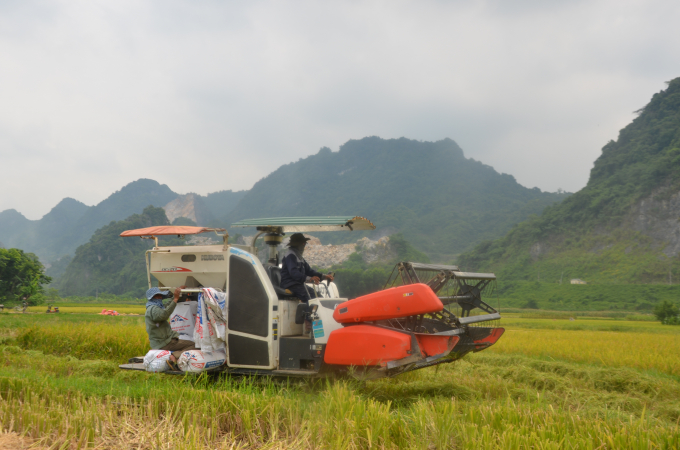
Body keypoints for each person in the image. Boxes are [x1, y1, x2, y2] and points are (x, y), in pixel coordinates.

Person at [145, 285, 196, 369]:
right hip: (165, 342)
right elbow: (163, 315)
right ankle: (174, 356)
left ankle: (173, 356)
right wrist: (175, 299)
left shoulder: (154, 307)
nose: (161, 297)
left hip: (160, 342)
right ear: (154, 297)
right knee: (194, 345)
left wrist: (177, 296)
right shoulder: (153, 309)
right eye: (159, 295)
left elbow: (167, 307)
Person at [280, 233, 334, 302]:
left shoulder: (299, 257)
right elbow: (293, 272)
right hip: (290, 284)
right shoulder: (290, 255)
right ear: (298, 244)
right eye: (303, 244)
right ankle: (309, 312)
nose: (304, 246)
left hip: (298, 284)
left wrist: (323, 276)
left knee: (318, 296)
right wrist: (309, 279)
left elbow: (309, 271)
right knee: (312, 298)